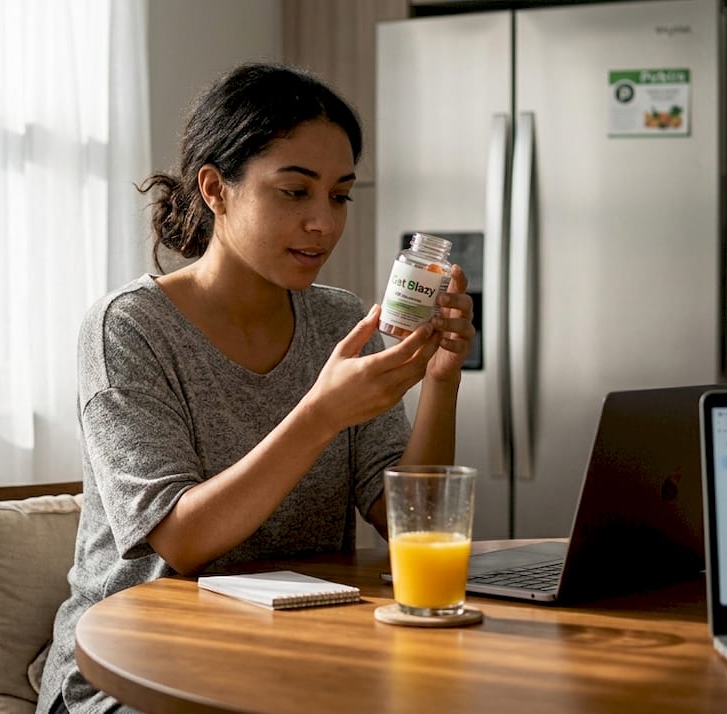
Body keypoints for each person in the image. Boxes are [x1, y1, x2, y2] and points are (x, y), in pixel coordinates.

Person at [35, 61, 475, 714]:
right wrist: (320, 415)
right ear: (215, 188)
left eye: (340, 195)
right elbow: (180, 538)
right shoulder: (128, 328)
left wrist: (441, 380)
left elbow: (406, 518)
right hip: (135, 672)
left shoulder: (334, 318)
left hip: (299, 652)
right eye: (295, 192)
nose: (323, 222)